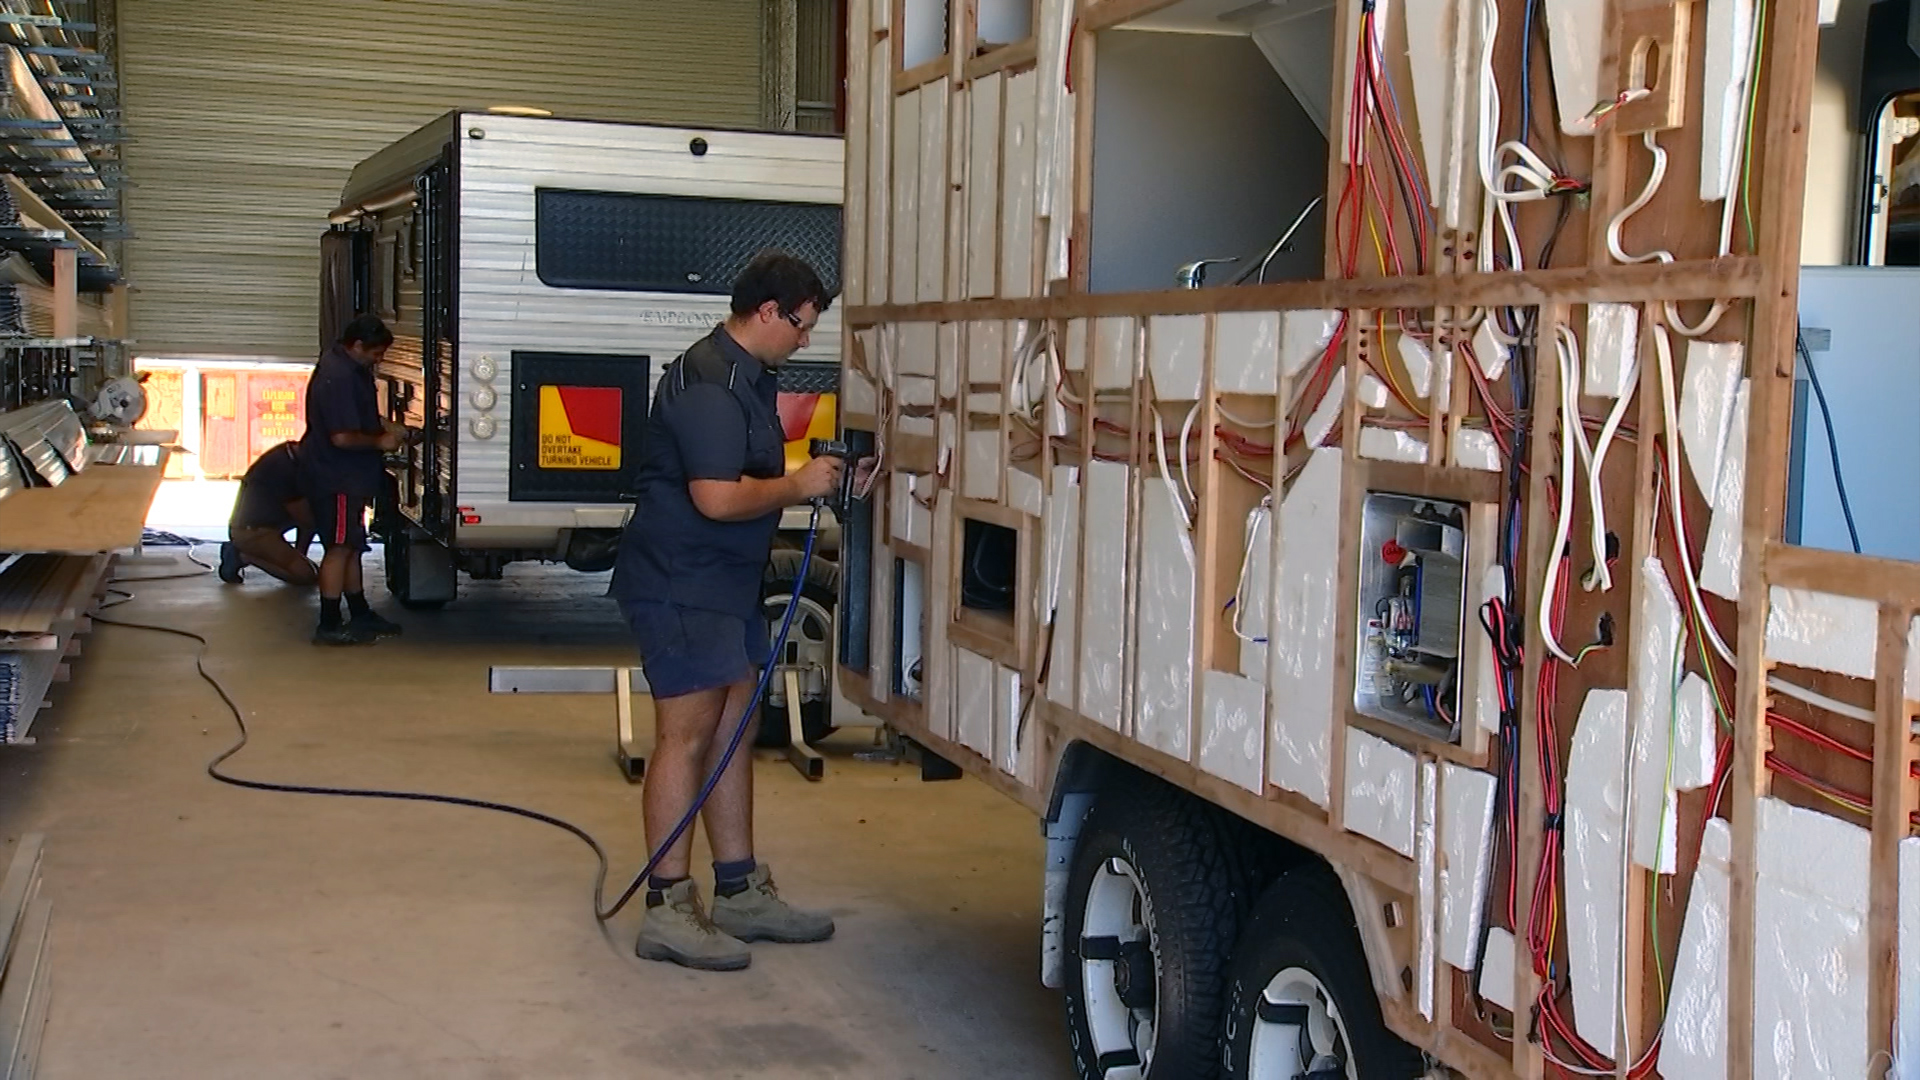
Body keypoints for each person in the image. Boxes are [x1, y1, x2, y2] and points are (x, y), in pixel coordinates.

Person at [611, 252, 851, 971]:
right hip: (682, 582)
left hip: (722, 583)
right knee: (684, 735)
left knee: (732, 726)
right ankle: (667, 906)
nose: (805, 340)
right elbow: (715, 497)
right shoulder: (709, 384)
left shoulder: (747, 375)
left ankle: (740, 889)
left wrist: (825, 477)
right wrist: (799, 484)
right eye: (803, 326)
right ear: (769, 312)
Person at [301, 315, 405, 647]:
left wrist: (386, 425)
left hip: (348, 476)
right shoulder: (339, 377)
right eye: (376, 354)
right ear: (357, 345)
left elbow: (360, 418)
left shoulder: (349, 368)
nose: (379, 360)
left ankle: (359, 611)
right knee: (339, 548)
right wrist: (380, 442)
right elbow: (342, 437)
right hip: (338, 477)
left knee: (352, 547)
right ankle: (329, 623)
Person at [218, 441, 318, 586]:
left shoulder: (291, 455)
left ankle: (297, 558)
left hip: (270, 524)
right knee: (306, 576)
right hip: (251, 531)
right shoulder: (283, 468)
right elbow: (306, 519)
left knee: (316, 571)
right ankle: (242, 556)